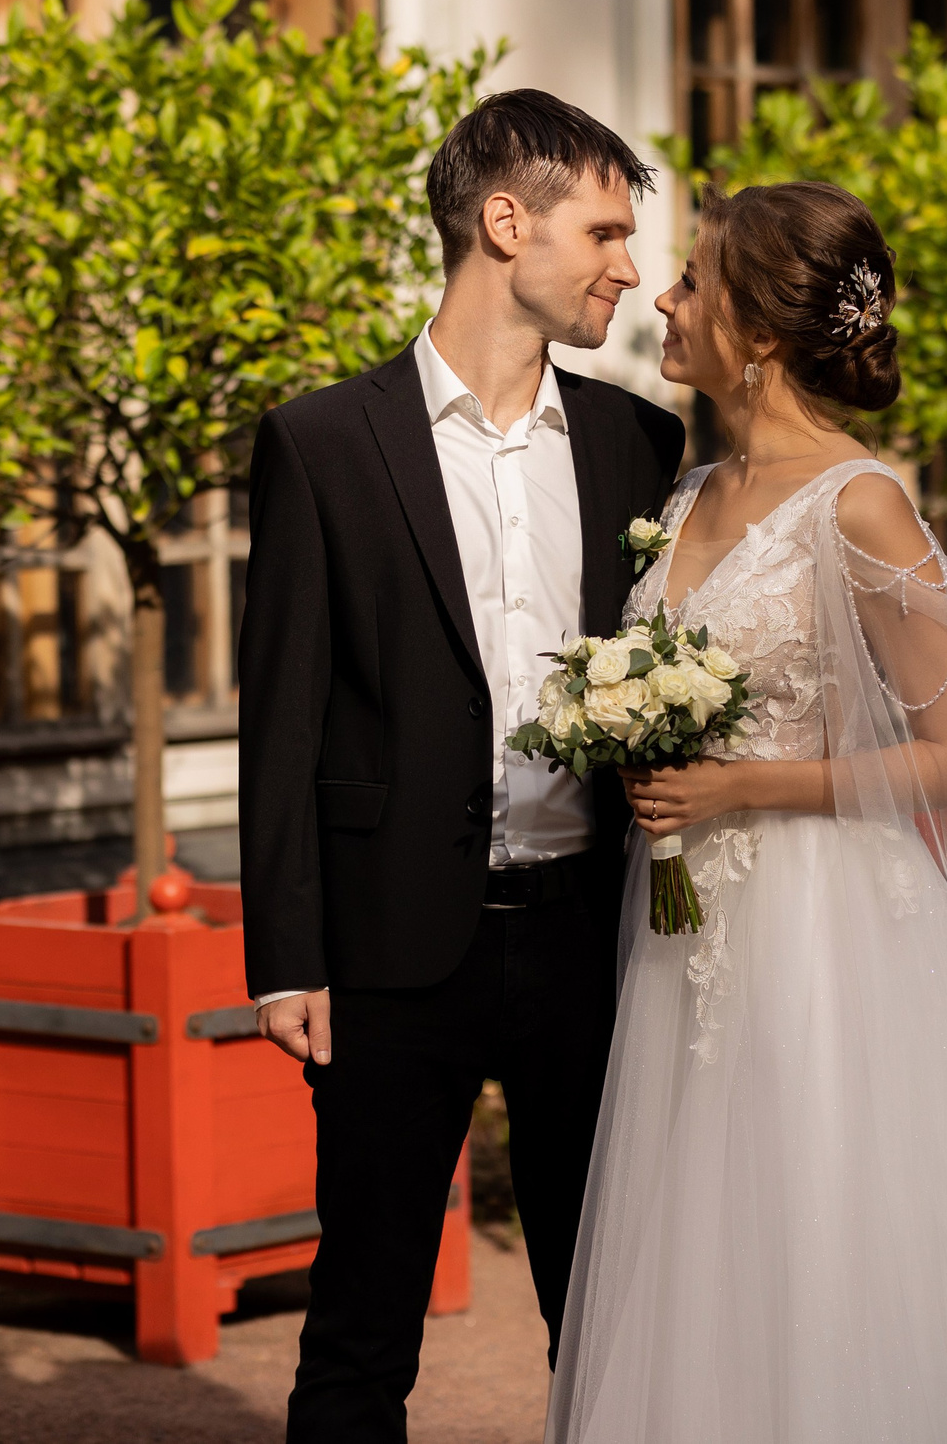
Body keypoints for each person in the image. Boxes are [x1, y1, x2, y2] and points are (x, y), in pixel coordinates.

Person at [546, 180, 947, 1442]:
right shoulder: (686, 492)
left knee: (822, 1225)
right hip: (682, 930)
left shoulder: (859, 501)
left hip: (823, 933)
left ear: (760, 331)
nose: (664, 300)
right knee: (700, 1239)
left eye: (694, 282)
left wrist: (744, 784)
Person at [237, 89, 687, 1442]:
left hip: (589, 946)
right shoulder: (321, 442)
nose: (628, 269)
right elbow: (283, 716)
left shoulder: (639, 443)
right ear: (505, 222)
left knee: (610, 1317)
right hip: (388, 955)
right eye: (604, 231)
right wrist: (285, 958)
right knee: (362, 1330)